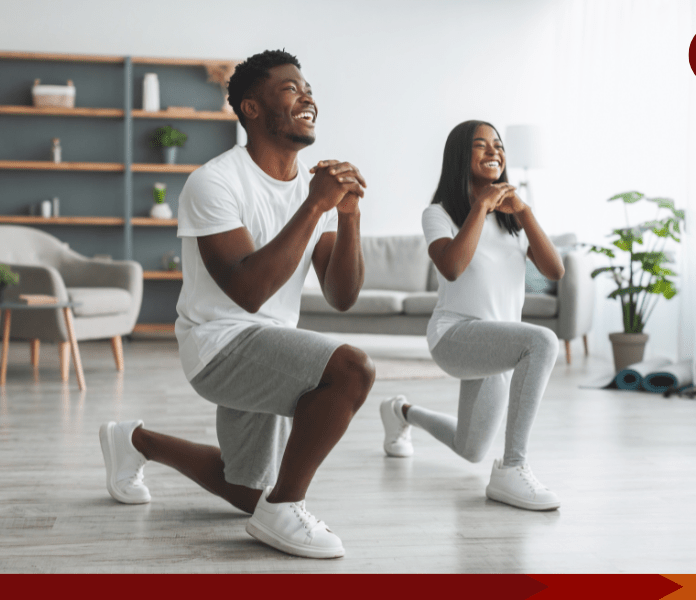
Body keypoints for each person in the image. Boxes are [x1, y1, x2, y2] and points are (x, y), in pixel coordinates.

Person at [99, 50, 374, 559]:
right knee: (351, 370)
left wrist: (349, 215)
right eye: (291, 88)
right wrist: (316, 205)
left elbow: (342, 296)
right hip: (218, 345)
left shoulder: (314, 190)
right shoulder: (215, 182)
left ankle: (136, 442)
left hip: (271, 344)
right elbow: (248, 292)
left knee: (246, 490)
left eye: (308, 87)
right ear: (251, 107)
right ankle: (286, 507)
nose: (307, 95)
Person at [379, 120, 565, 511]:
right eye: (481, 145)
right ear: (461, 156)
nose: (494, 151)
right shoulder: (439, 214)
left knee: (470, 448)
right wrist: (480, 206)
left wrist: (525, 213)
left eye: (497, 145)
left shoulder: (513, 221)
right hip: (456, 336)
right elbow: (452, 267)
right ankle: (513, 468)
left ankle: (401, 411)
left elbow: (555, 271)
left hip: (498, 345)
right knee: (543, 340)